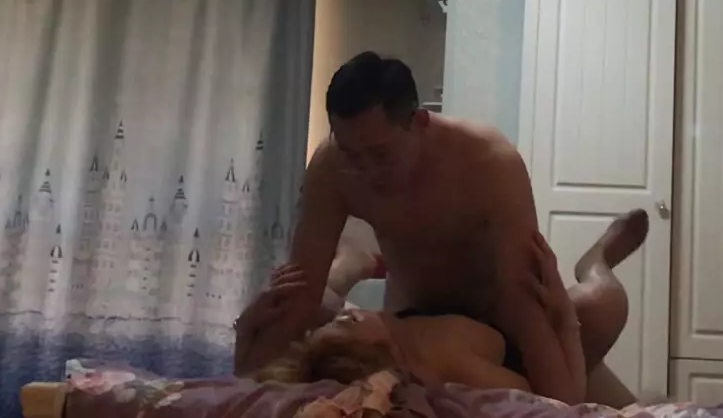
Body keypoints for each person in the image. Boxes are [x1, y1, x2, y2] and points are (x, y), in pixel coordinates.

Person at [257, 52, 641, 405]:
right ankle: (350, 267)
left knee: (602, 307)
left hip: (499, 316)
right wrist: (258, 385)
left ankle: (596, 261)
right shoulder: (331, 168)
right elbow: (299, 292)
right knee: (605, 400)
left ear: (420, 123)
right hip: (416, 315)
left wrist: (560, 338)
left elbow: (522, 299)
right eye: (351, 156)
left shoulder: (488, 161)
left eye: (380, 154)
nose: (366, 171)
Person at [234, 209, 646, 397]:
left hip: (433, 314)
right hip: (516, 348)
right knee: (603, 305)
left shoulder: (319, 367)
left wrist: (249, 323)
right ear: (379, 353)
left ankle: (349, 267)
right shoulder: (449, 368)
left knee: (315, 310)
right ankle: (596, 259)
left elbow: (246, 383)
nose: (351, 313)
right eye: (350, 323)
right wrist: (560, 314)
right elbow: (557, 403)